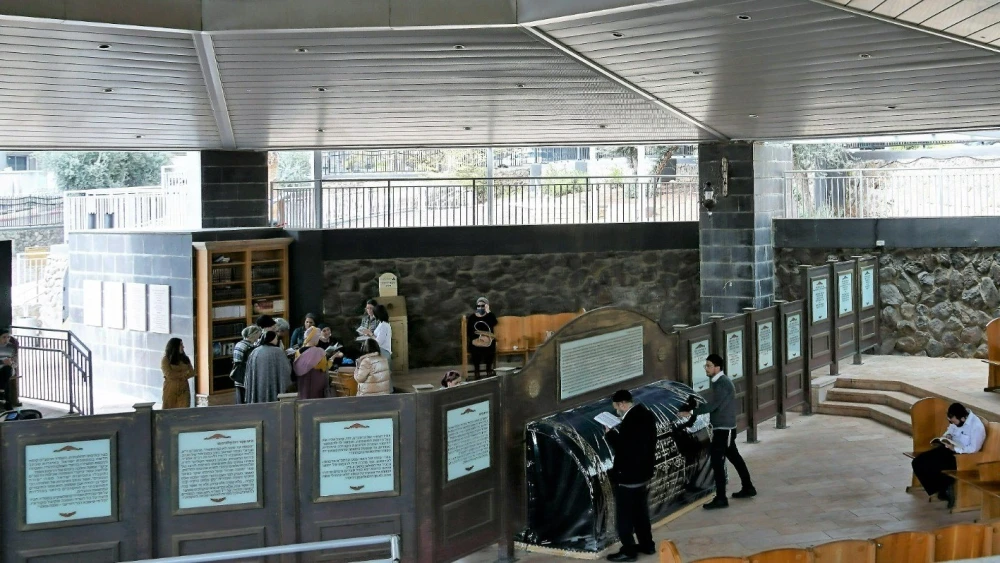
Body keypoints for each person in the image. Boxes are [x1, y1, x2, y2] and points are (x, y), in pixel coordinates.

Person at [680, 353, 756, 510]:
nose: (706, 369)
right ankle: (748, 487)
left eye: (708, 366)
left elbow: (712, 405)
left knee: (717, 461)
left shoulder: (722, 383)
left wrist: (692, 412)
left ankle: (721, 497)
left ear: (717, 367)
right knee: (734, 457)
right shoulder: (719, 382)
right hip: (724, 428)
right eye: (705, 366)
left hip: (724, 430)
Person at [603, 389, 658, 562]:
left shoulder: (630, 422)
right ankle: (647, 545)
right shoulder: (646, 414)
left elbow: (625, 449)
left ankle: (628, 550)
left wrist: (610, 433)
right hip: (643, 474)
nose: (617, 411)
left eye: (616, 408)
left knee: (625, 516)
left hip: (628, 476)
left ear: (622, 404)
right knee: (640, 512)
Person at [912, 402, 986, 509]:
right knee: (918, 462)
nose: (953, 424)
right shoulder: (956, 420)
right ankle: (941, 488)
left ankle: (945, 488)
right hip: (948, 450)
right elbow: (949, 431)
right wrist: (948, 436)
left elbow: (973, 449)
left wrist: (954, 448)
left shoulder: (976, 427)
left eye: (954, 421)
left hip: (962, 457)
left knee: (934, 466)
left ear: (963, 418)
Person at [244, 330, 293, 403]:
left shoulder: (255, 351)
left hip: (259, 385)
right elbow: (286, 369)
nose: (277, 340)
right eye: (276, 338)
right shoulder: (278, 351)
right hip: (274, 385)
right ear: (272, 339)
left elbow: (249, 371)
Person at [293, 326, 331, 400]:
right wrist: (333, 358)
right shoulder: (319, 352)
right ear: (315, 338)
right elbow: (324, 367)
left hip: (302, 383)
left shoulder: (298, 352)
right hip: (316, 384)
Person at [466, 296, 498, 380]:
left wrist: (488, 312)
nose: (480, 308)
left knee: (491, 347)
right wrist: (477, 339)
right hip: (476, 340)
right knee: (475, 349)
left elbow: (494, 322)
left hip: (488, 340)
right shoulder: (472, 317)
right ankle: (477, 371)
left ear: (486, 306)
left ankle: (488, 369)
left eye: (483, 306)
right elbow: (469, 331)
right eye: (478, 306)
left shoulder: (489, 316)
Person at [230, 325, 262, 404]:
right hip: (246, 376)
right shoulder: (249, 347)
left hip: (238, 377)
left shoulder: (239, 344)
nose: (259, 336)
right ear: (253, 334)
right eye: (258, 334)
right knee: (246, 398)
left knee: (240, 398)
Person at [161, 338, 194, 409]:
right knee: (169, 410)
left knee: (184, 411)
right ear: (175, 347)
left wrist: (178, 375)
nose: (183, 347)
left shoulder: (185, 358)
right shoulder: (166, 359)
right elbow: (169, 374)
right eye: (181, 345)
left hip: (184, 389)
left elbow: (192, 372)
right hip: (171, 390)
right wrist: (184, 374)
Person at [0, 330, 19, 410]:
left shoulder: (11, 347)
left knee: (6, 370)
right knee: (5, 379)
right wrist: (1, 361)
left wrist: (11, 363)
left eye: (8, 337)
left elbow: (15, 363)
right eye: (4, 337)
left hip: (8, 369)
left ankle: (1, 394)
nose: (6, 339)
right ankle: (7, 402)